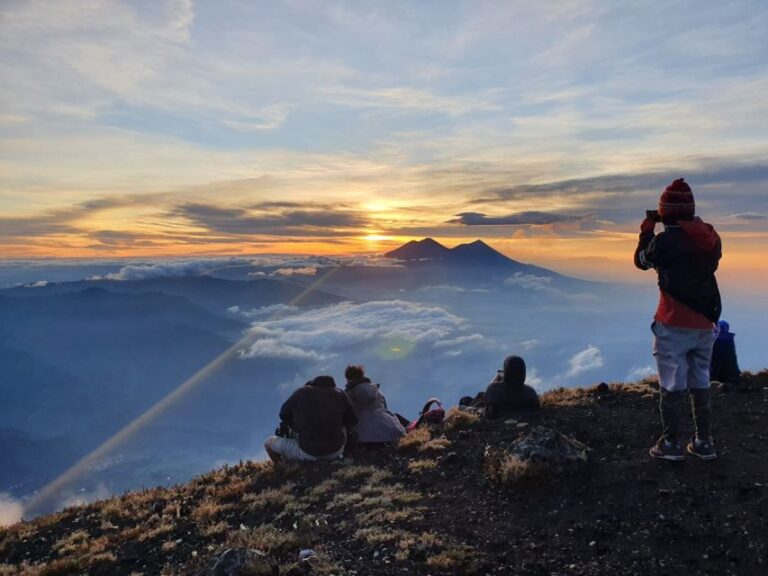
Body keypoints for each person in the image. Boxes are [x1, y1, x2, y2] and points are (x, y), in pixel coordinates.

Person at [634, 178, 722, 461]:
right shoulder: (712, 238)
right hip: (705, 323)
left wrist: (647, 231)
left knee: (671, 384)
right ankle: (704, 442)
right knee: (700, 380)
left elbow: (641, 261)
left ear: (666, 213)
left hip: (672, 322)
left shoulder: (664, 242)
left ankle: (671, 444)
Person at [264, 375, 357, 462]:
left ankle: (282, 467)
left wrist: (296, 426)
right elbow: (353, 420)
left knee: (268, 442)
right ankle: (345, 457)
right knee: (344, 427)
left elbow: (283, 413)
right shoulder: (341, 393)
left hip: (307, 452)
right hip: (336, 451)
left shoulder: (302, 392)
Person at [344, 365, 406, 444]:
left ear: (348, 378)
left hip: (362, 437)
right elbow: (385, 408)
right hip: (390, 432)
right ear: (362, 375)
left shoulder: (347, 394)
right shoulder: (377, 391)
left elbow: (347, 417)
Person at [710, 320, 742, 391]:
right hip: (733, 376)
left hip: (720, 377)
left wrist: (712, 377)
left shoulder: (716, 342)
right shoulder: (729, 341)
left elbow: (715, 363)